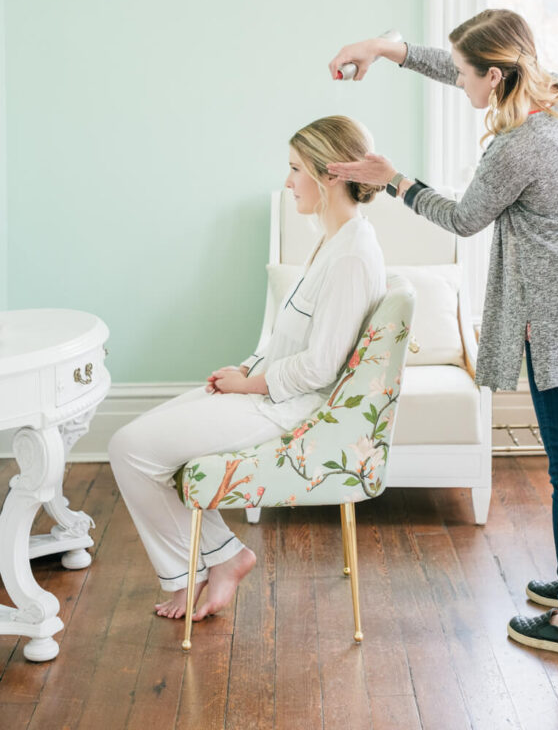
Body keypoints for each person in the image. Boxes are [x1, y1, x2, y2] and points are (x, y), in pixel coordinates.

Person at [327, 9, 558, 659]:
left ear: (494, 77)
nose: (462, 86)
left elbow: (464, 218)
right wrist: (390, 50)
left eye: (468, 76)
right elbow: (464, 66)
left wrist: (394, 182)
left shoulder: (517, 146)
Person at [109, 116, 385, 621]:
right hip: (266, 392)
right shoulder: (334, 241)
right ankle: (225, 558)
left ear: (331, 175)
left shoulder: (351, 256)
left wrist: (250, 384)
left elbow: (321, 367)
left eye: (295, 168)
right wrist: (245, 368)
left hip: (285, 409)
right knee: (134, 443)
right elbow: (291, 335)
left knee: (129, 450)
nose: (287, 181)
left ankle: (199, 570)